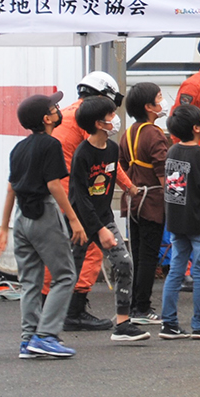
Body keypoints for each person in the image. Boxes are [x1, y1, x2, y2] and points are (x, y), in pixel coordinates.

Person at [0, 92, 88, 360]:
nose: (59, 110)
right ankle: (46, 336)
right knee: (66, 274)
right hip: (44, 213)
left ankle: (28, 340)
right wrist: (74, 220)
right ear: (47, 119)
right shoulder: (50, 144)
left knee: (30, 282)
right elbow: (54, 185)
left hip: (21, 217)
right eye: (55, 107)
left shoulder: (18, 148)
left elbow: (11, 188)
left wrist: (3, 228)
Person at [67, 94, 148, 342]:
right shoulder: (83, 154)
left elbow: (110, 183)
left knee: (124, 262)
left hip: (103, 217)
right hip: (81, 223)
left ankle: (122, 323)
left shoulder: (112, 149)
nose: (116, 119)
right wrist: (99, 229)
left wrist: (130, 189)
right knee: (69, 272)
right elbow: (80, 197)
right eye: (111, 116)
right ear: (99, 123)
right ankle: (51, 319)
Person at [54, 71, 125, 332]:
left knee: (64, 254)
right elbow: (98, 163)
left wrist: (128, 186)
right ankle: (73, 312)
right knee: (90, 247)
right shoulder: (86, 121)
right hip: (69, 193)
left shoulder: (72, 114)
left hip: (58, 192)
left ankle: (52, 311)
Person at [159, 104, 200, 339]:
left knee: (176, 270)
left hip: (176, 220)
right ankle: (199, 325)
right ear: (196, 128)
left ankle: (169, 323)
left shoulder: (172, 151)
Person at [120, 82, 169, 324]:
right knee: (149, 255)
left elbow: (120, 168)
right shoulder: (154, 133)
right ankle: (142, 307)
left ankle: (133, 305)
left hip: (133, 201)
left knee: (137, 254)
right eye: (160, 98)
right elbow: (163, 171)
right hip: (152, 201)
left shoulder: (128, 133)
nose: (163, 103)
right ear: (149, 106)